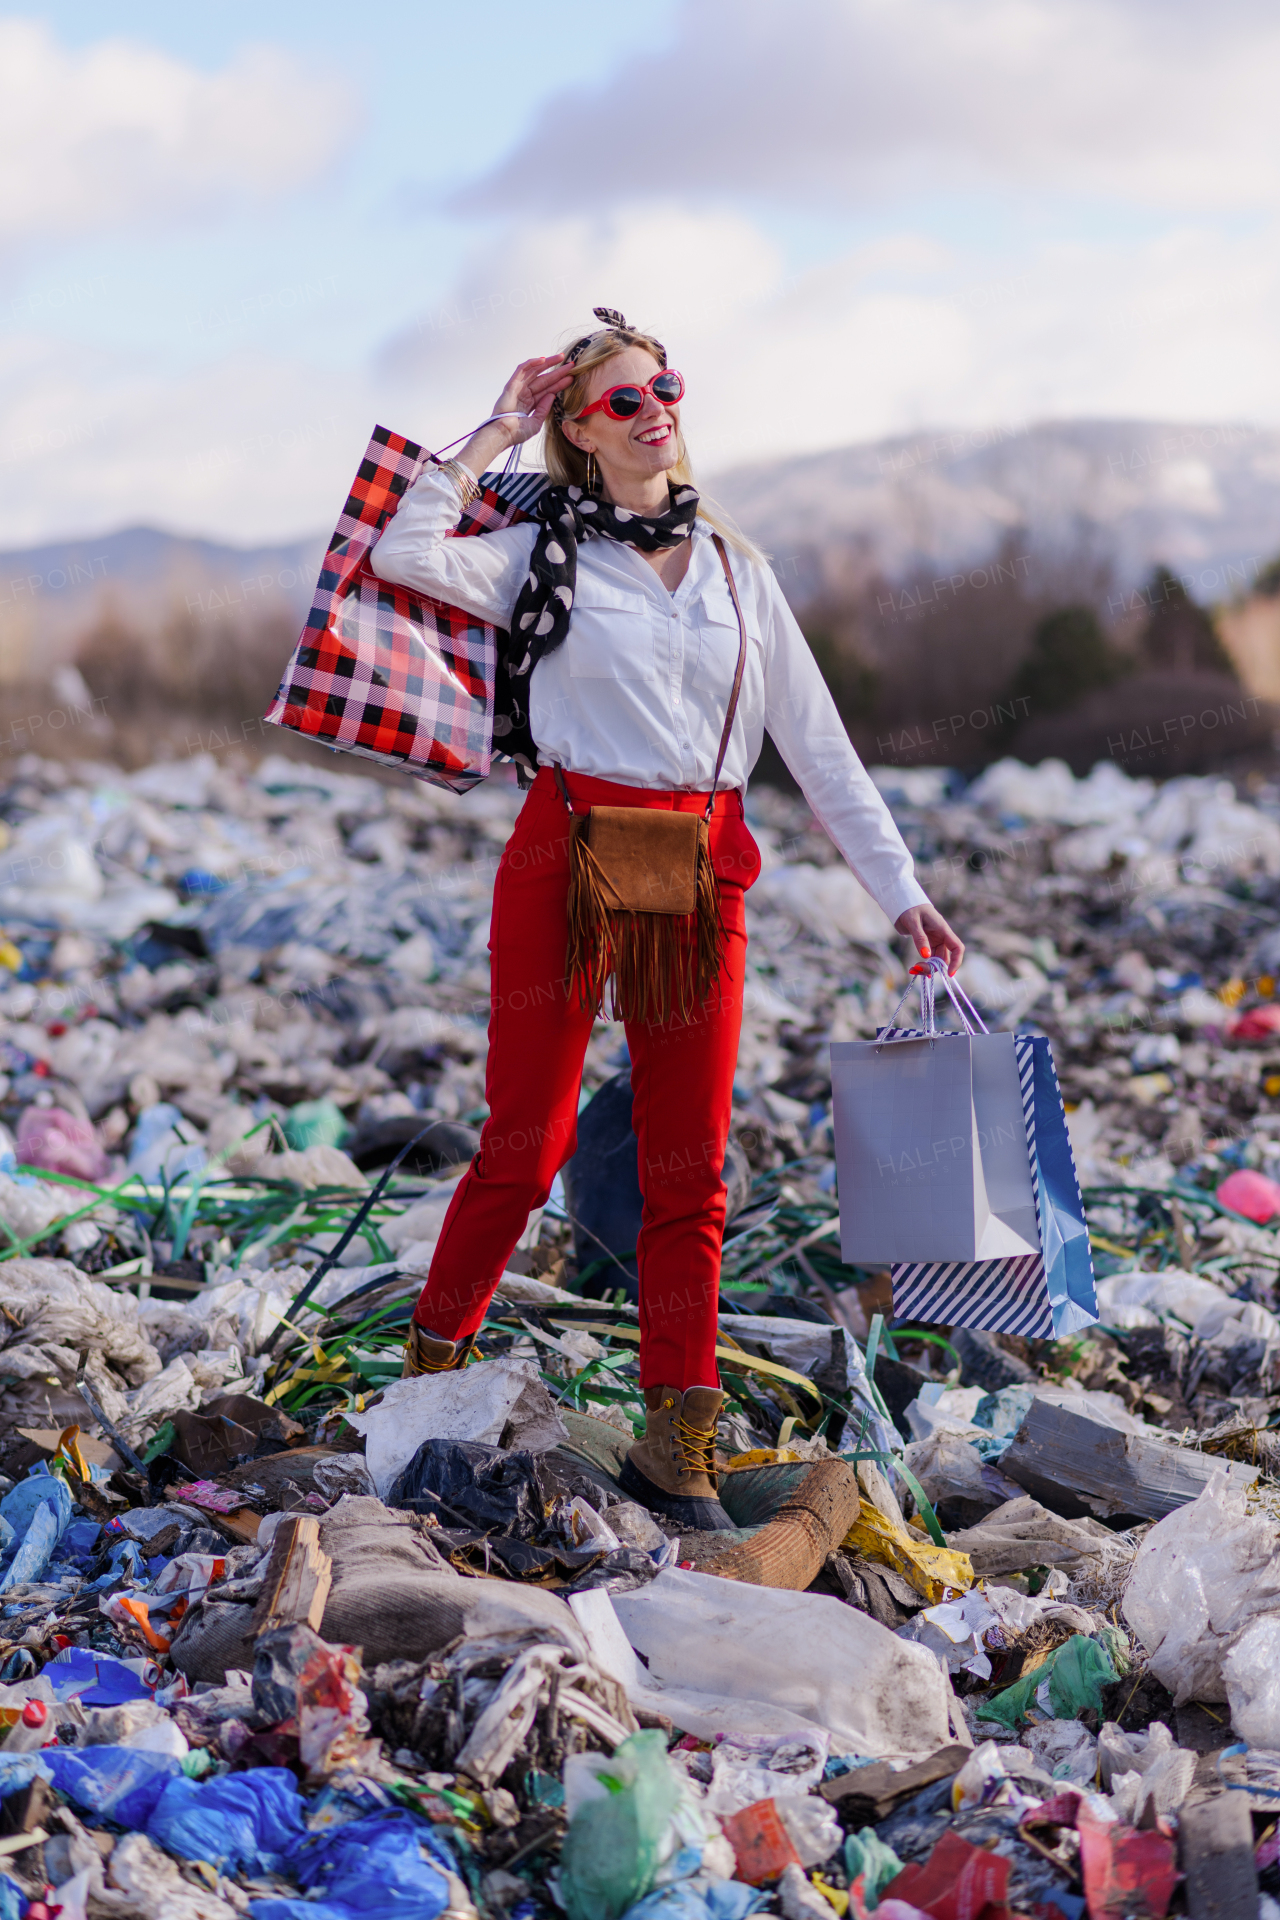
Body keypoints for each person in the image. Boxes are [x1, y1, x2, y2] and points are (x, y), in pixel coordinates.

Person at [369, 309, 963, 1529]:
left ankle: (676, 1436)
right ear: (580, 436)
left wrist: (900, 892)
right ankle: (429, 1369)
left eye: (667, 389)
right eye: (624, 402)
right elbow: (400, 551)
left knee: (687, 1164)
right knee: (524, 1145)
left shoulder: (742, 571)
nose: (657, 412)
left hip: (703, 863)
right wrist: (496, 427)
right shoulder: (542, 557)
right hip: (567, 851)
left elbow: (819, 750)